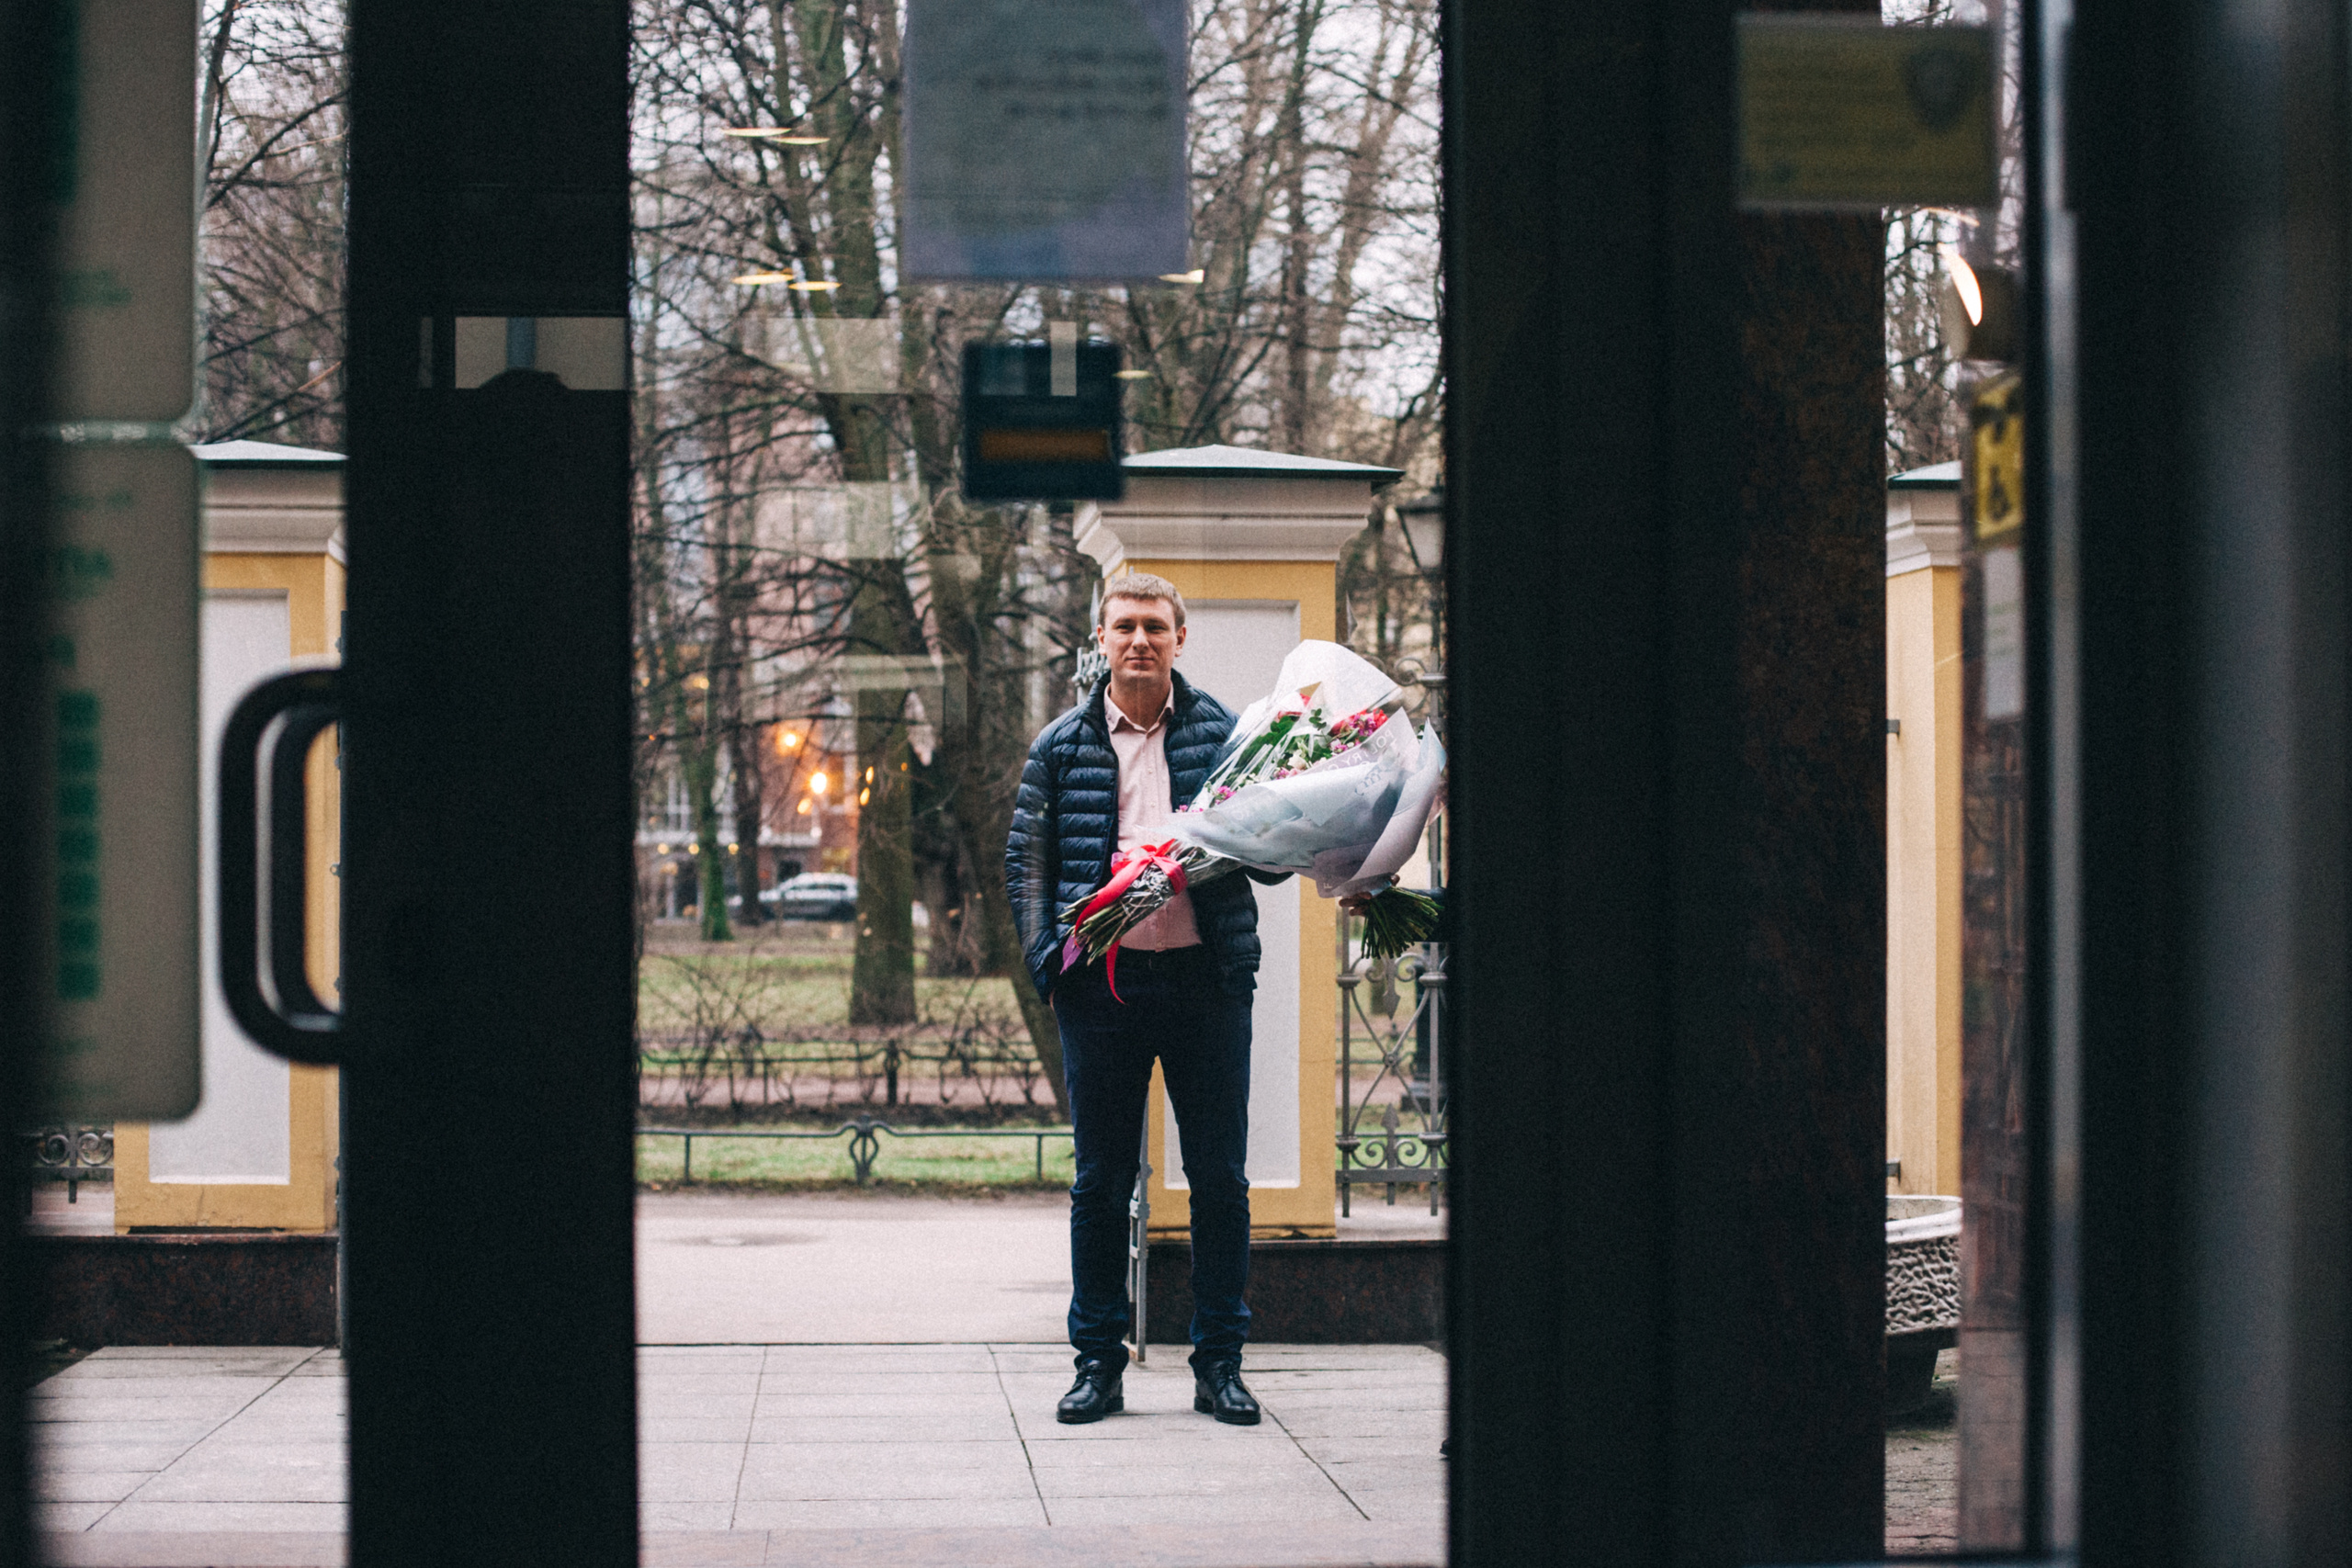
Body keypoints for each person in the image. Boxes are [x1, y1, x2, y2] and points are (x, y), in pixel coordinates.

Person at [1006, 572, 1283, 1427]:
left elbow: (1270, 856)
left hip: (1204, 984)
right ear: (1101, 636)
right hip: (1103, 992)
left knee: (1221, 1183)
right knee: (1100, 1181)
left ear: (1180, 637)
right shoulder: (1062, 744)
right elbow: (1029, 864)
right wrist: (1051, 960)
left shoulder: (1226, 734)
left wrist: (1319, 844)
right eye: (1124, 626)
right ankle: (1097, 1365)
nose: (1139, 641)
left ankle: (1221, 1367)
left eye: (1154, 627)